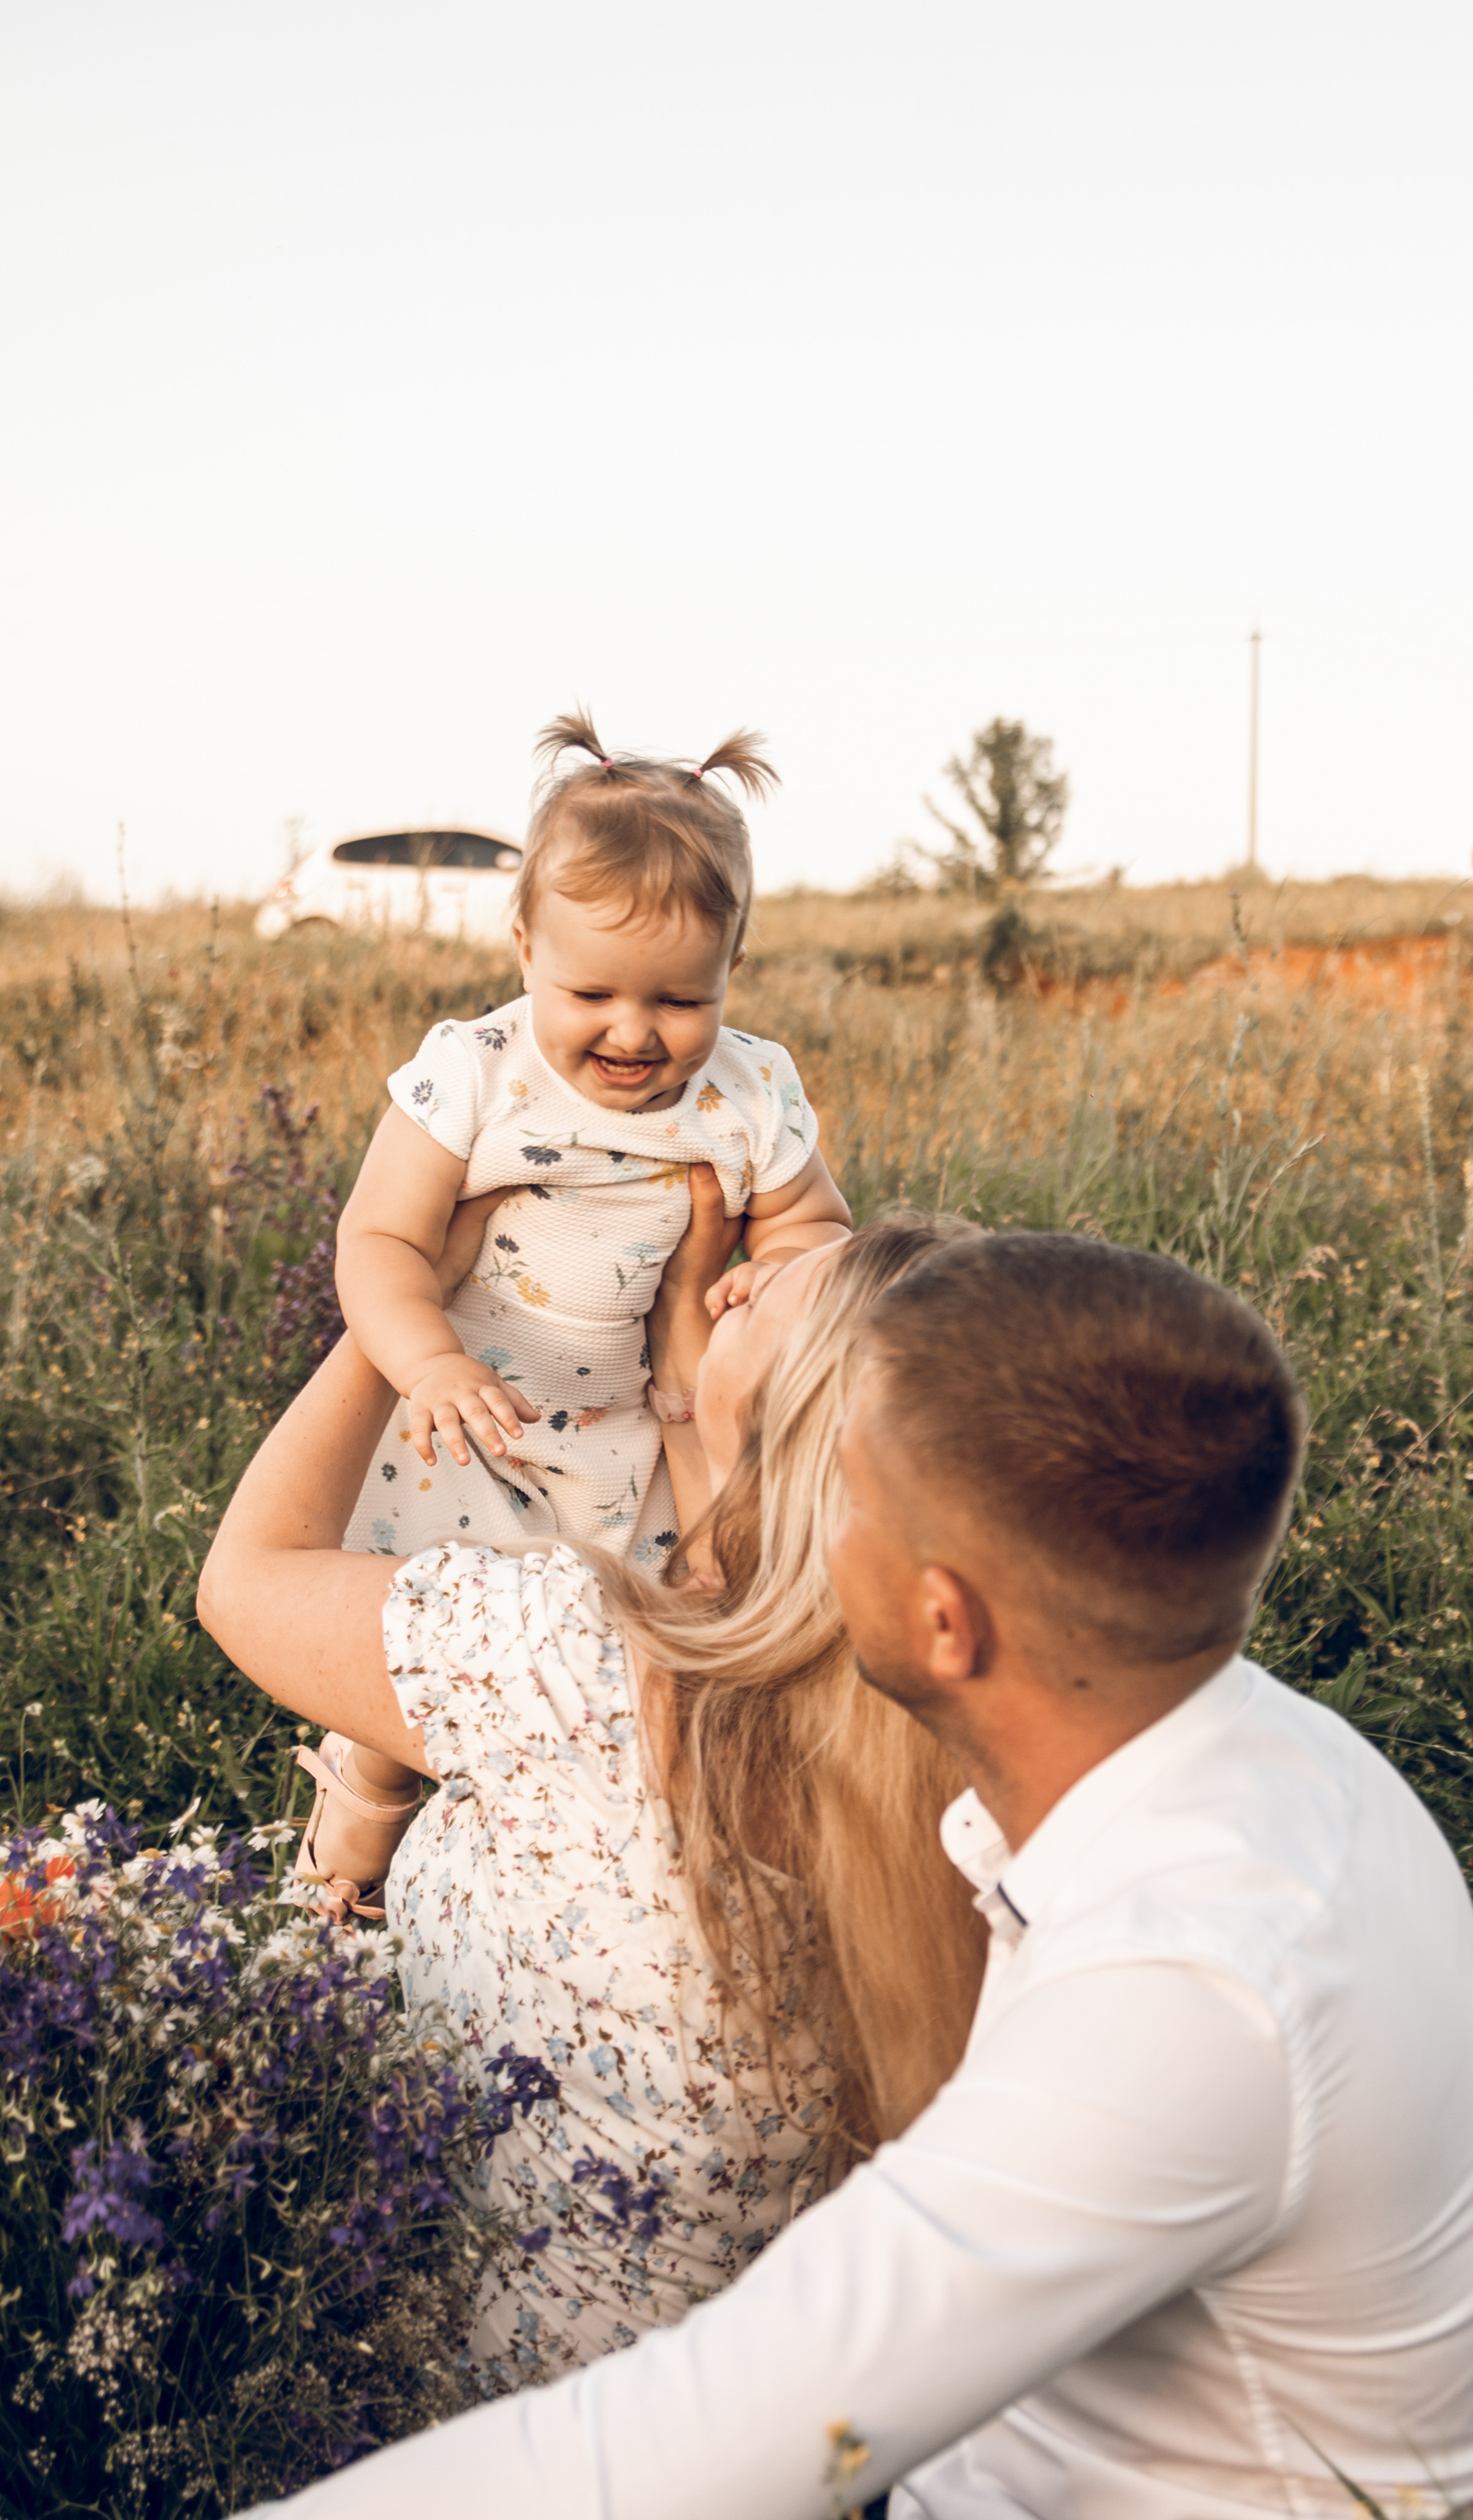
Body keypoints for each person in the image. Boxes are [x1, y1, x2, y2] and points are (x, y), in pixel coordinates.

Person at [237, 1230, 1473, 2518]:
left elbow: (681, 2451)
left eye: (841, 1492)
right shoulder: (1256, 1760)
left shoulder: (1192, 1994)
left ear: (945, 1621)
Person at [197, 1186, 985, 2395]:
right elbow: (749, 1538)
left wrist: (396, 1312)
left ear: (795, 1422)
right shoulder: (963, 1746)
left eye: (788, 1282)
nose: (751, 1270)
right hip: (751, 2413)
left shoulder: (575, 1661)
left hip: (450, 2403)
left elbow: (248, 1580)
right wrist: (689, 1343)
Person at [333, 709, 849, 1576]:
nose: (633, 1032)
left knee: (634, 1622)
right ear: (527, 952)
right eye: (593, 994)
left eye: (680, 1002)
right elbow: (380, 1238)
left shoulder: (752, 1089)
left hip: (647, 1437)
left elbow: (817, 1223)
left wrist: (781, 1265)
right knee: (446, 1618)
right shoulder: (475, 1072)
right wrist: (428, 1365)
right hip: (475, 1418)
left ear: (733, 970)